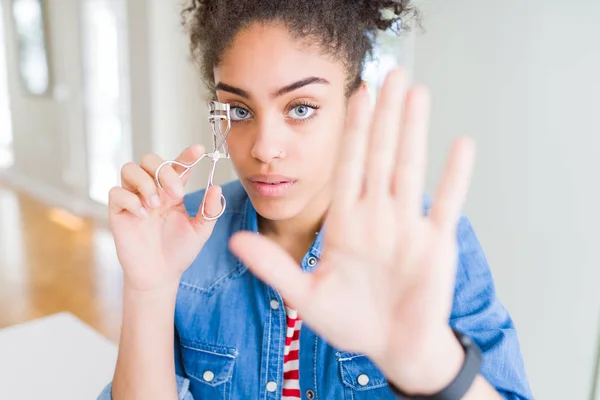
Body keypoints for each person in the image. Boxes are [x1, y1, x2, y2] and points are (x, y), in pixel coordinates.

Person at [99, 0, 533, 399]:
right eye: (239, 110)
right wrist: (149, 290)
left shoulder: (425, 241)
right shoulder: (181, 235)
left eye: (301, 107)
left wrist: (433, 366)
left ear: (354, 107)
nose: (264, 148)